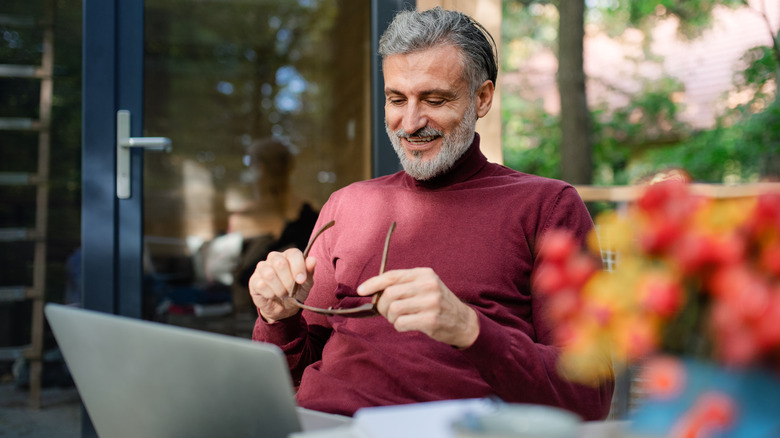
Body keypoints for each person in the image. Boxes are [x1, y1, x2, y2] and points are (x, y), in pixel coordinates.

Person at [249, 7, 614, 421]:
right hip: (320, 426)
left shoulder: (547, 208)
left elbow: (590, 395)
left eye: (435, 99)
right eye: (396, 99)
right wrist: (277, 318)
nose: (410, 122)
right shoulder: (347, 205)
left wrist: (470, 329)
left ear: (482, 98)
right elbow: (288, 378)